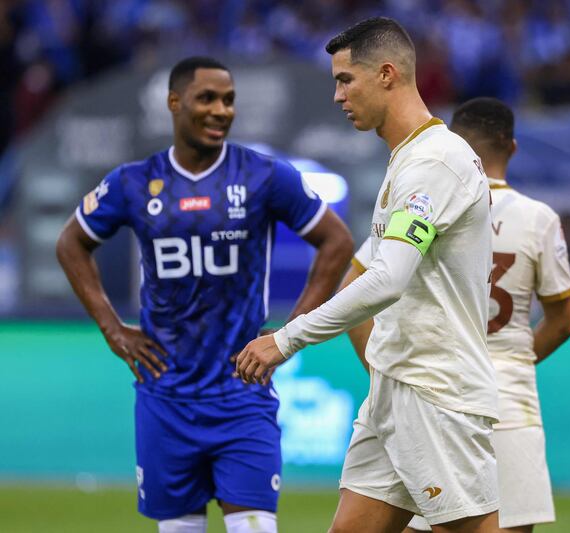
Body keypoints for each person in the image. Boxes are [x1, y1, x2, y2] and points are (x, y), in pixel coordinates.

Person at [56, 56, 353, 533]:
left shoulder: (262, 175)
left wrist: (291, 335)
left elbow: (337, 241)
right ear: (174, 103)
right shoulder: (134, 182)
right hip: (166, 396)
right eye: (207, 98)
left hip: (243, 392)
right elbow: (71, 242)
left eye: (229, 100)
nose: (221, 110)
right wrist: (113, 329)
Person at [235, 17, 500, 533]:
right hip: (394, 388)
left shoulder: (435, 164)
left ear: (385, 74)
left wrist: (286, 341)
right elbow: (367, 271)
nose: (337, 95)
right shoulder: (406, 160)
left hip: (437, 392)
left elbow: (386, 280)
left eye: (344, 79)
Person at [371, 97, 570, 533]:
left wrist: (377, 363)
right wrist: (517, 360)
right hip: (508, 392)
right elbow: (562, 321)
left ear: (455, 141)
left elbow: (364, 283)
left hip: (437, 379)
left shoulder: (423, 193)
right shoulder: (539, 219)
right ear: (512, 147)